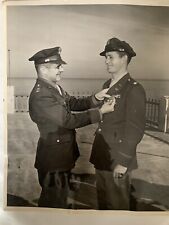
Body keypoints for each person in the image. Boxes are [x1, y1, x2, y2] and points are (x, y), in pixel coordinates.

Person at [28, 46, 115, 208]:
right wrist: (100, 112)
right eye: (58, 66)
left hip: (61, 157)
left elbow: (74, 103)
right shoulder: (41, 95)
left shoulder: (54, 88)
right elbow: (68, 121)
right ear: (43, 69)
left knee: (58, 200)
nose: (62, 69)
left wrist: (96, 97)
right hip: (53, 161)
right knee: (52, 204)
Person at [90, 37, 146, 210]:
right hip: (102, 155)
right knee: (103, 204)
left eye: (110, 57)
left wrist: (123, 162)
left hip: (118, 158)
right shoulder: (107, 85)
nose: (106, 61)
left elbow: (135, 130)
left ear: (124, 58)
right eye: (105, 57)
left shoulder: (134, 89)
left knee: (118, 207)